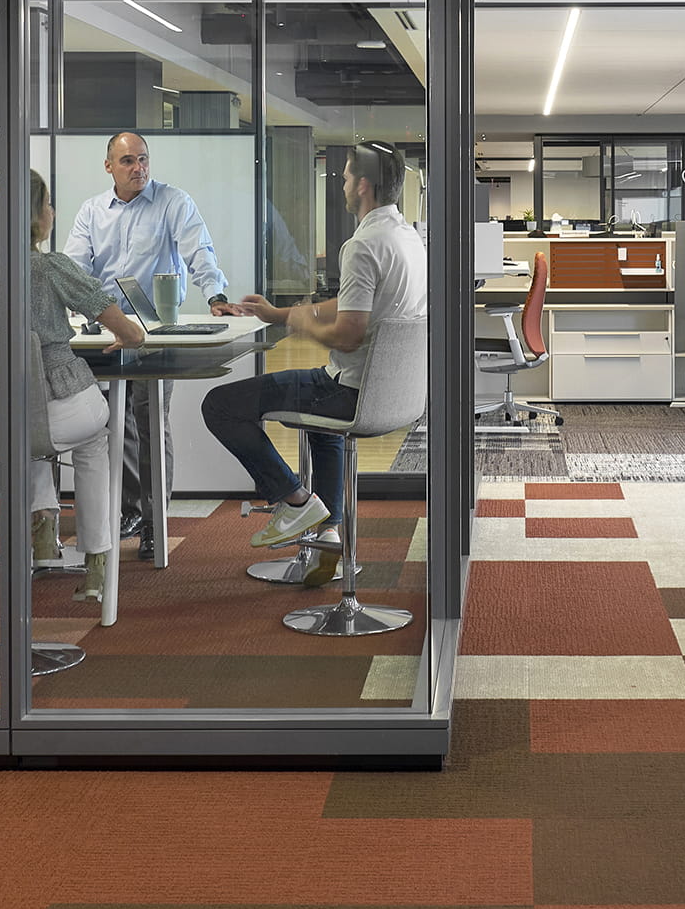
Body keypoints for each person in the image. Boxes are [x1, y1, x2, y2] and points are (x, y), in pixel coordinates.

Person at [206, 141, 425, 582]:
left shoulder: (362, 244)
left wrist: (305, 326)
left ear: (362, 185)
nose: (341, 184)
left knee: (220, 405)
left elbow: (349, 332)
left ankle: (295, 502)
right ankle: (329, 533)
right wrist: (281, 314)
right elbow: (351, 305)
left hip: (348, 392)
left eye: (344, 177)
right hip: (390, 395)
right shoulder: (407, 238)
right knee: (322, 430)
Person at [0, 170, 144, 594]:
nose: (53, 212)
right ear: (36, 216)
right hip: (58, 399)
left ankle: (43, 525)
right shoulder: (49, 265)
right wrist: (124, 337)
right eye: (49, 204)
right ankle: (96, 562)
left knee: (26, 428)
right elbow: (130, 332)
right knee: (91, 442)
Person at [63, 131, 232, 545]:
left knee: (150, 419)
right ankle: (130, 512)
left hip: (154, 332)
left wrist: (216, 294)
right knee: (112, 423)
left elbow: (199, 250)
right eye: (127, 162)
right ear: (109, 167)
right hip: (104, 330)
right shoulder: (91, 211)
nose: (138, 168)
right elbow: (72, 266)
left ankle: (156, 522)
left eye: (143, 160)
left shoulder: (173, 202)